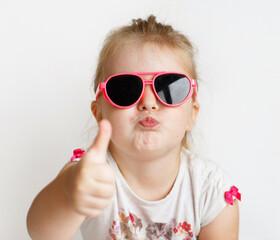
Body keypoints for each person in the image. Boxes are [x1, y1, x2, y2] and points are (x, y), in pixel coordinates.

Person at [27, 15, 241, 240]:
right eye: (126, 89)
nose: (148, 102)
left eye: (169, 88)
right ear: (100, 113)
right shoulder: (88, 175)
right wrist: (69, 193)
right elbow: (41, 233)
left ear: (192, 113)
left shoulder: (211, 192)